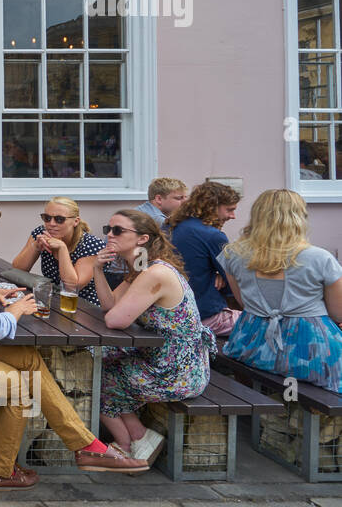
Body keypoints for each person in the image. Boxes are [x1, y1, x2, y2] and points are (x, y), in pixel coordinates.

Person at [0, 196, 147, 491]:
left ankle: (86, 445)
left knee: (29, 358)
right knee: (19, 388)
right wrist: (17, 310)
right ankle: (2, 471)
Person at [91, 209, 216, 463]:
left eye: (118, 230)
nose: (110, 235)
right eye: (108, 229)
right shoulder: (141, 268)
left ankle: (126, 445)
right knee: (98, 364)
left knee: (96, 378)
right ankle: (138, 438)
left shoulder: (154, 273)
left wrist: (113, 310)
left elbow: (115, 319)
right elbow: (109, 305)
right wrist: (97, 270)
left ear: (142, 239)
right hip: (161, 358)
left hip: (180, 371)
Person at [219, 189, 342, 394]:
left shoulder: (233, 254)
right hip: (309, 349)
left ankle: (282, 415)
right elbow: (338, 312)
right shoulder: (319, 258)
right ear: (299, 217)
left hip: (252, 343)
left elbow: (243, 303)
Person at [169, 181, 242, 337]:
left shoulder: (172, 226)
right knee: (269, 326)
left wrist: (215, 272)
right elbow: (235, 282)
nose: (233, 216)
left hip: (171, 313)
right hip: (203, 317)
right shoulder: (213, 235)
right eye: (229, 210)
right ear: (212, 206)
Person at [11, 196, 106, 306]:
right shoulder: (42, 233)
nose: (51, 223)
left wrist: (62, 249)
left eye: (59, 219)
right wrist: (36, 246)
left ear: (76, 221)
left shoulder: (91, 245)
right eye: (47, 218)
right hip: (54, 300)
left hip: (85, 307)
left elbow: (72, 287)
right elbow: (17, 270)